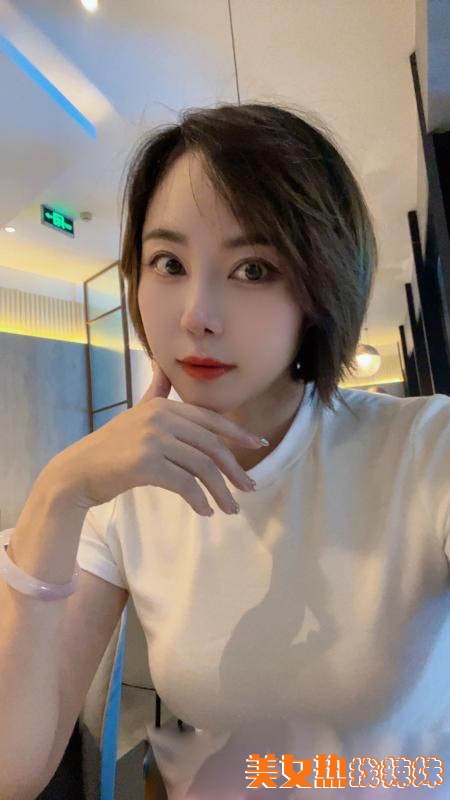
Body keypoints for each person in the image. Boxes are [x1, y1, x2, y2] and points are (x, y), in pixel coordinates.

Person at [0, 102, 449, 800]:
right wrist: (59, 492)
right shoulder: (119, 496)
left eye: (254, 269)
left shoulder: (423, 450)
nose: (196, 315)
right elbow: (14, 769)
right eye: (169, 262)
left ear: (322, 284)